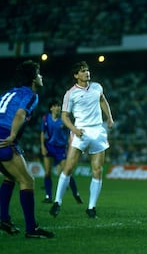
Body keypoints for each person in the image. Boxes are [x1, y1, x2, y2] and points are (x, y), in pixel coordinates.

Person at [49, 61, 114, 219]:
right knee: (69, 167)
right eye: (83, 71)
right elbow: (64, 116)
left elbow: (102, 100)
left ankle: (91, 207)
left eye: (87, 70)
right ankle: (57, 201)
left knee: (97, 170)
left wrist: (110, 118)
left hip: (98, 130)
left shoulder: (97, 87)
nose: (87, 73)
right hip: (81, 132)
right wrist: (74, 130)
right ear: (76, 75)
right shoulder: (70, 93)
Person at [0, 60, 54, 238]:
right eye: (38, 74)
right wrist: (13, 136)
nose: (41, 76)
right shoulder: (31, 95)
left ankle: (4, 219)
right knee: (28, 181)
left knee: (10, 177)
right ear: (33, 78)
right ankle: (32, 229)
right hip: (4, 136)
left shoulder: (8, 93)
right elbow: (20, 114)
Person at [40, 99, 83, 204]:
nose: (58, 108)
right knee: (47, 173)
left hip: (61, 148)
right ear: (51, 108)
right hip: (49, 147)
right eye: (55, 105)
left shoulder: (64, 120)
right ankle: (48, 196)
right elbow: (42, 133)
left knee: (67, 171)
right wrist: (42, 146)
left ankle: (76, 193)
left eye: (59, 106)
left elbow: (70, 133)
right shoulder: (46, 119)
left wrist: (70, 144)